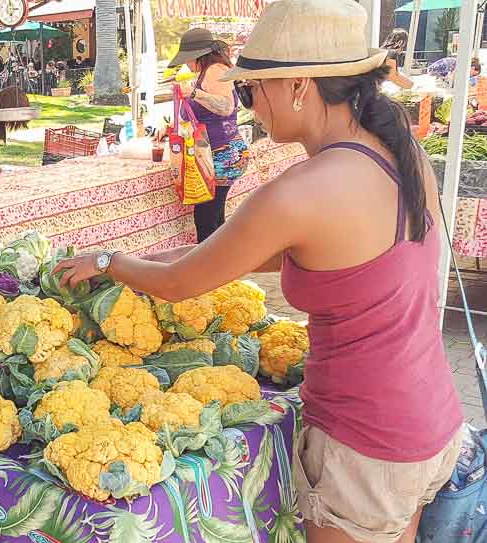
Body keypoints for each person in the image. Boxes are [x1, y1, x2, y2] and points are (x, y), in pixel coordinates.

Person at [55, 2, 463, 543]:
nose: (247, 107)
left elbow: (182, 286)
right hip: (429, 421)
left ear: (298, 85)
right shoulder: (397, 151)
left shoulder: (301, 191)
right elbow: (234, 256)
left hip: (366, 445)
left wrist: (110, 261)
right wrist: (135, 265)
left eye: (251, 92)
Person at [154, 28, 249, 242]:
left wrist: (194, 93)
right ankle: (222, 268)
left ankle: (210, 269)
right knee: (214, 217)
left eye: (188, 59)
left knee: (206, 219)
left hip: (222, 154)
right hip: (224, 152)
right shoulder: (210, 71)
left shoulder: (214, 70)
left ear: (199, 56)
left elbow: (226, 106)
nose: (187, 64)